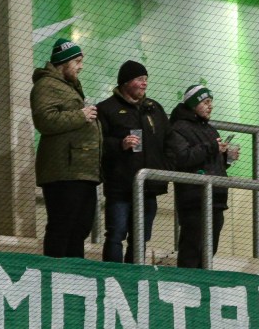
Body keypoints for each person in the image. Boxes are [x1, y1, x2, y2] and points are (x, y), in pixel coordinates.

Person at [30, 37, 101, 258]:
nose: (81, 67)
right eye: (77, 61)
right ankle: (54, 271)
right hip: (63, 171)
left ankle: (73, 272)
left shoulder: (68, 87)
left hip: (81, 171)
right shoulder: (46, 85)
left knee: (80, 227)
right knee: (62, 226)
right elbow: (45, 120)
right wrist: (80, 116)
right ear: (64, 62)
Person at [97, 60, 170, 263]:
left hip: (148, 187)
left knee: (140, 238)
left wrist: (165, 169)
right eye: (139, 79)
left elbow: (169, 141)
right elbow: (98, 143)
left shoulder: (154, 108)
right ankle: (111, 276)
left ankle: (134, 278)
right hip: (120, 186)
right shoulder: (106, 109)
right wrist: (120, 144)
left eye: (146, 79)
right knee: (116, 234)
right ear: (125, 82)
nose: (145, 83)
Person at [167, 84, 238, 269]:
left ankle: (201, 286)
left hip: (216, 198)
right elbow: (183, 158)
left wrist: (226, 158)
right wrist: (212, 148)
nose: (210, 106)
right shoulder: (178, 128)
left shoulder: (211, 130)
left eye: (211, 102)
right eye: (206, 102)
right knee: (191, 251)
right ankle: (185, 285)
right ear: (193, 104)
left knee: (208, 252)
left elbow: (212, 163)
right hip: (194, 200)